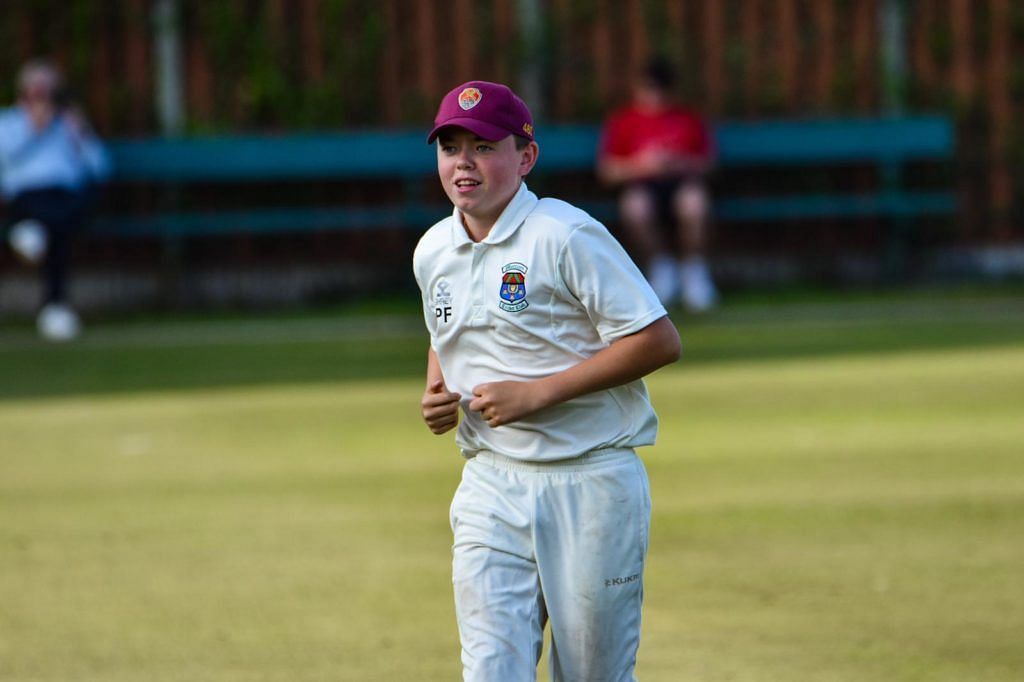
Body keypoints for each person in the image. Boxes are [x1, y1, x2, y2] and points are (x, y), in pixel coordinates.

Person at [414, 80, 681, 681]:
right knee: (490, 670)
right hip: (490, 481)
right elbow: (447, 328)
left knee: (589, 674)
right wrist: (437, 392)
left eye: (483, 146)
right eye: (450, 146)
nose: (463, 162)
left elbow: (658, 339)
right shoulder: (433, 248)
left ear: (525, 157)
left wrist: (538, 392)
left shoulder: (565, 234)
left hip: (589, 482)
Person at [0, 58, 111, 340]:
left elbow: (101, 167)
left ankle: (28, 233)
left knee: (59, 222)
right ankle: (55, 306)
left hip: (64, 198)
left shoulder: (68, 125)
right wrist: (32, 130)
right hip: (25, 196)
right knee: (54, 224)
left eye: (48, 92)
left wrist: (81, 134)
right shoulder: (9, 123)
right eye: (36, 92)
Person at [597, 56, 718, 312]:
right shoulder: (624, 121)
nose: (654, 96)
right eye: (649, 88)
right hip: (642, 184)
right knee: (635, 207)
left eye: (660, 89)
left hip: (681, 183)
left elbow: (707, 164)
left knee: (694, 204)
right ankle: (662, 268)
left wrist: (677, 163)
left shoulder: (687, 118)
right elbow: (608, 170)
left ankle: (693, 271)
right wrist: (641, 165)